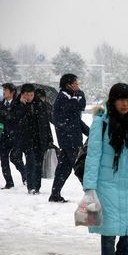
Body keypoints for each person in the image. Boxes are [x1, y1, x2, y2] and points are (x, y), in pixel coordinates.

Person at [83, 83, 128, 255]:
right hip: (106, 182)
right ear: (113, 101)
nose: (125, 104)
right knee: (108, 228)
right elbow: (93, 155)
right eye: (121, 100)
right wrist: (90, 186)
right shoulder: (101, 123)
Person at [49, 74, 89, 202]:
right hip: (70, 140)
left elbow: (76, 119)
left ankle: (55, 194)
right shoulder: (63, 98)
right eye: (75, 83)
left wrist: (90, 132)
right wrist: (79, 95)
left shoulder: (71, 97)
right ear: (68, 85)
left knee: (63, 168)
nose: (78, 86)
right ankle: (91, 195)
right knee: (80, 167)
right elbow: (78, 106)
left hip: (71, 139)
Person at [11, 83, 53, 194]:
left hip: (40, 138)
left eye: (31, 94)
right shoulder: (16, 105)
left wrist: (49, 138)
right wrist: (23, 106)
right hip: (26, 139)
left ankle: (37, 186)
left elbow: (46, 123)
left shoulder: (40, 104)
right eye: (27, 95)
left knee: (38, 164)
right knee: (30, 162)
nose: (29, 97)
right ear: (22, 95)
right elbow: (15, 120)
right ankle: (31, 186)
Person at [0, 83, 26, 189]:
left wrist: (3, 113)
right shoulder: (1, 104)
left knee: (15, 158)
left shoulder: (18, 104)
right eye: (3, 90)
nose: (4, 92)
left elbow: (15, 117)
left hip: (16, 136)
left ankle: (25, 177)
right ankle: (9, 183)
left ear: (12, 92)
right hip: (3, 136)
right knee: (3, 160)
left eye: (6, 90)